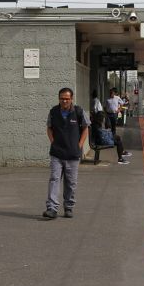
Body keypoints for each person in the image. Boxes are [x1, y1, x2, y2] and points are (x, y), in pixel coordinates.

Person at [43, 87, 90, 219]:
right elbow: (49, 128)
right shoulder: (53, 112)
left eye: (67, 99)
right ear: (59, 98)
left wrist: (79, 145)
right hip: (57, 154)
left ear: (71, 99)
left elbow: (86, 128)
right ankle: (52, 208)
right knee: (54, 179)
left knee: (71, 182)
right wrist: (53, 142)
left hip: (73, 155)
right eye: (62, 98)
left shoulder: (79, 112)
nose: (64, 101)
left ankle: (68, 207)